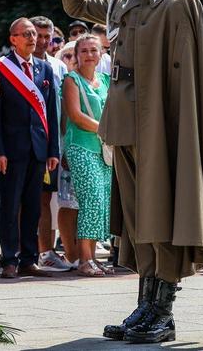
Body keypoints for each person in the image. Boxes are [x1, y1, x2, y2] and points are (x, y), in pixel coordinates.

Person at [56, 0, 203, 343]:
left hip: (160, 122)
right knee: (140, 218)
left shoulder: (179, 2)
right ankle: (145, 305)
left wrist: (179, 132)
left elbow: (184, 78)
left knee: (162, 213)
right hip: (122, 117)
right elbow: (79, 4)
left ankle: (163, 312)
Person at [0, 17, 60, 279]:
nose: (33, 38)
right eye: (26, 34)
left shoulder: (44, 68)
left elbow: (51, 112)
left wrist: (53, 151)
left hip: (38, 149)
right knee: (9, 205)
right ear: (13, 39)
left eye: (34, 34)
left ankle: (29, 258)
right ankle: (9, 258)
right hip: (11, 150)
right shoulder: (0, 68)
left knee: (33, 206)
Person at [62, 34, 112, 276]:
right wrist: (105, 129)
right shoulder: (72, 80)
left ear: (101, 53)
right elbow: (75, 115)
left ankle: (93, 257)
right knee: (91, 199)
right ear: (77, 55)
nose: (90, 55)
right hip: (81, 146)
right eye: (84, 51)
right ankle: (84, 259)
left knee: (101, 202)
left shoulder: (104, 80)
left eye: (94, 50)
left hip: (103, 149)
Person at [29, 15, 72, 272]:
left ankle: (46, 249)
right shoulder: (13, 66)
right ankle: (28, 250)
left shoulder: (58, 67)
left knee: (47, 198)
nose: (43, 41)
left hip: (54, 141)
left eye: (48, 37)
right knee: (29, 199)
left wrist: (63, 143)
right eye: (38, 35)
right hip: (29, 141)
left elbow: (64, 107)